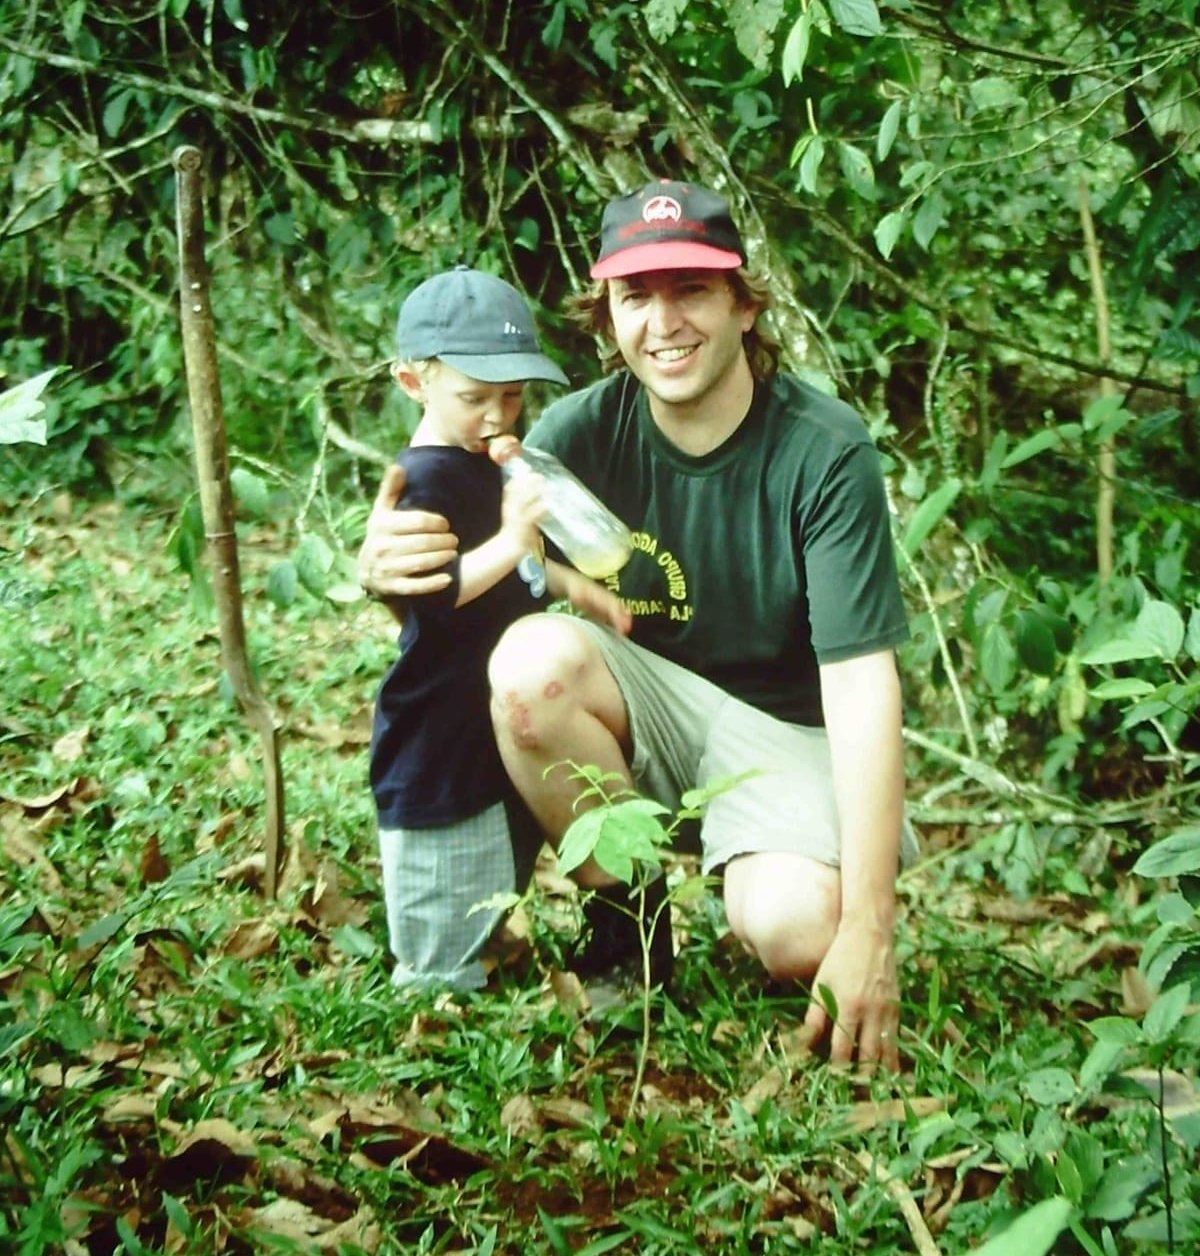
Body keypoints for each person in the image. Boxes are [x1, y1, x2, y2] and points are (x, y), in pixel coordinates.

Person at [358, 182, 916, 1068]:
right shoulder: (576, 432)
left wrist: (871, 925)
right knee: (529, 665)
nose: (665, 323)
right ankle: (630, 922)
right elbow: (458, 534)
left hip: (783, 733)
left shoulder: (822, 447)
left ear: (742, 300)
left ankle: (794, 880)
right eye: (635, 296)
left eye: (691, 288)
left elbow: (859, 680)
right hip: (647, 707)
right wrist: (383, 569)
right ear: (608, 316)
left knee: (802, 933)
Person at [368, 265, 629, 992]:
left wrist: (585, 593)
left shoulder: (489, 464)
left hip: (498, 722)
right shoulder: (421, 481)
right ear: (413, 383)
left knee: (495, 863)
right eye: (474, 397)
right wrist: (513, 539)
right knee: (441, 908)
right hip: (437, 733)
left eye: (512, 396)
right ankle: (435, 996)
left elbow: (533, 571)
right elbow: (436, 596)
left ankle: (494, 956)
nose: (498, 415)